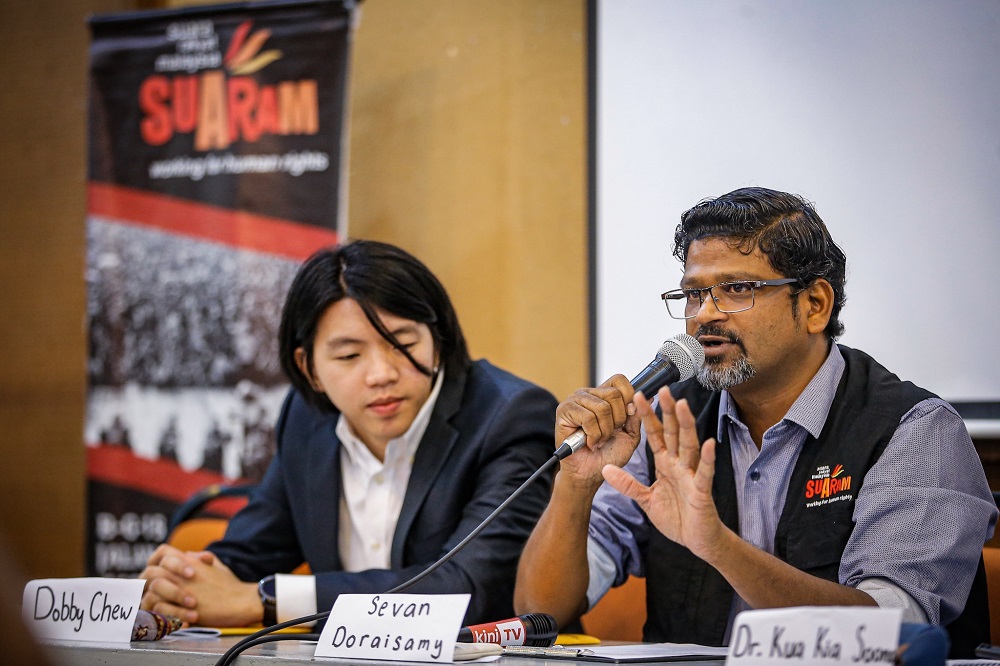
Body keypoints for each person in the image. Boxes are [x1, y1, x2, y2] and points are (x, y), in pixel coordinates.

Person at [513, 187, 997, 658]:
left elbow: (887, 629)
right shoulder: (664, 421)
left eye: (737, 289)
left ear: (815, 306)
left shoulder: (912, 429)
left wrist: (717, 544)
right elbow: (540, 612)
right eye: (694, 294)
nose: (704, 315)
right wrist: (575, 485)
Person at [140, 240, 557, 628]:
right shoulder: (307, 418)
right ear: (309, 369)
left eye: (402, 343)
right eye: (349, 355)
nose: (381, 375)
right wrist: (186, 583)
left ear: (438, 340)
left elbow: (468, 588)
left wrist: (267, 600)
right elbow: (254, 550)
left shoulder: (509, 418)